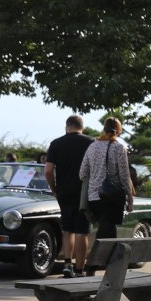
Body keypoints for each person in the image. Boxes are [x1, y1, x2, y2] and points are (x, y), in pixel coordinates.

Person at [44, 114, 94, 277]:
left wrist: (54, 189)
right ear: (82, 127)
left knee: (67, 229)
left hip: (64, 192)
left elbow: (48, 171)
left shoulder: (56, 143)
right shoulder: (91, 143)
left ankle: (67, 264)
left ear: (67, 127)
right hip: (84, 193)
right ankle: (79, 269)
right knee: (81, 231)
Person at [78, 116, 134, 257]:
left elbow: (82, 173)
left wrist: (95, 177)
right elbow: (124, 175)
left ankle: (106, 261)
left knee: (107, 229)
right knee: (107, 230)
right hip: (111, 197)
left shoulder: (92, 146)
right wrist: (130, 198)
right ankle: (95, 262)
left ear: (104, 129)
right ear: (119, 131)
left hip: (93, 197)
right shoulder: (118, 148)